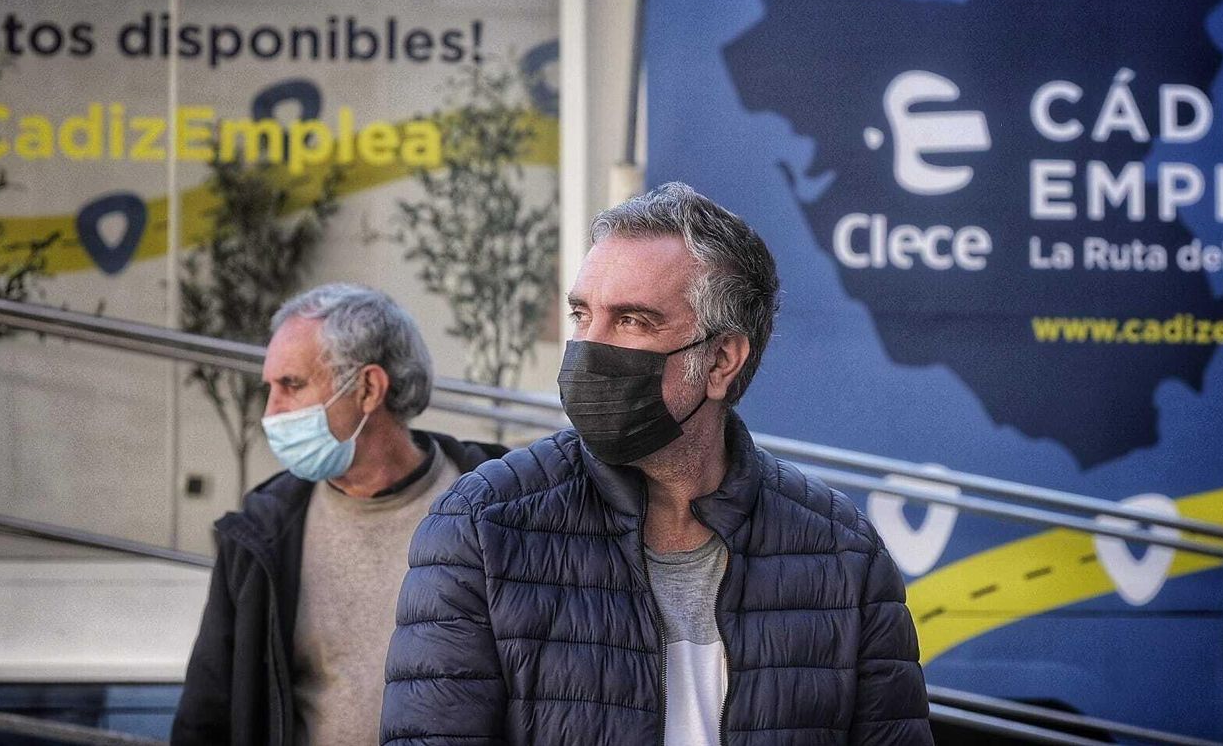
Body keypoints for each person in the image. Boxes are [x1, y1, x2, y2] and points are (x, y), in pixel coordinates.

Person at [382, 183, 932, 745]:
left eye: (631, 321)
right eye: (582, 315)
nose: (587, 349)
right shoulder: (481, 527)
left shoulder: (841, 554)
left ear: (720, 361)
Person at [173, 283, 504, 746]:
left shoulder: (502, 509)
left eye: (291, 385)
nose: (271, 412)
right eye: (269, 388)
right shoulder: (261, 532)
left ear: (369, 388)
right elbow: (208, 714)